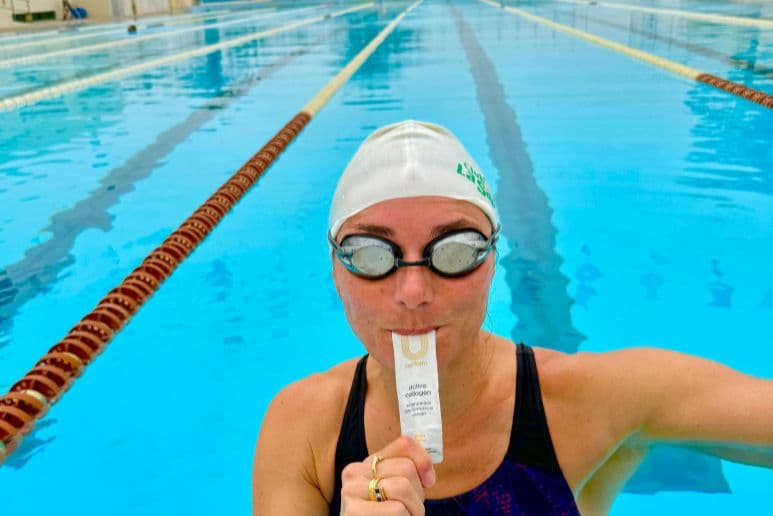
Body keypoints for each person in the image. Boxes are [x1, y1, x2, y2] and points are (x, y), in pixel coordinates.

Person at [252, 120, 772, 515]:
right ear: (336, 271)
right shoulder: (303, 429)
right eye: (370, 254)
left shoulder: (591, 401)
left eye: (455, 249)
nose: (412, 291)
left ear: (493, 259)